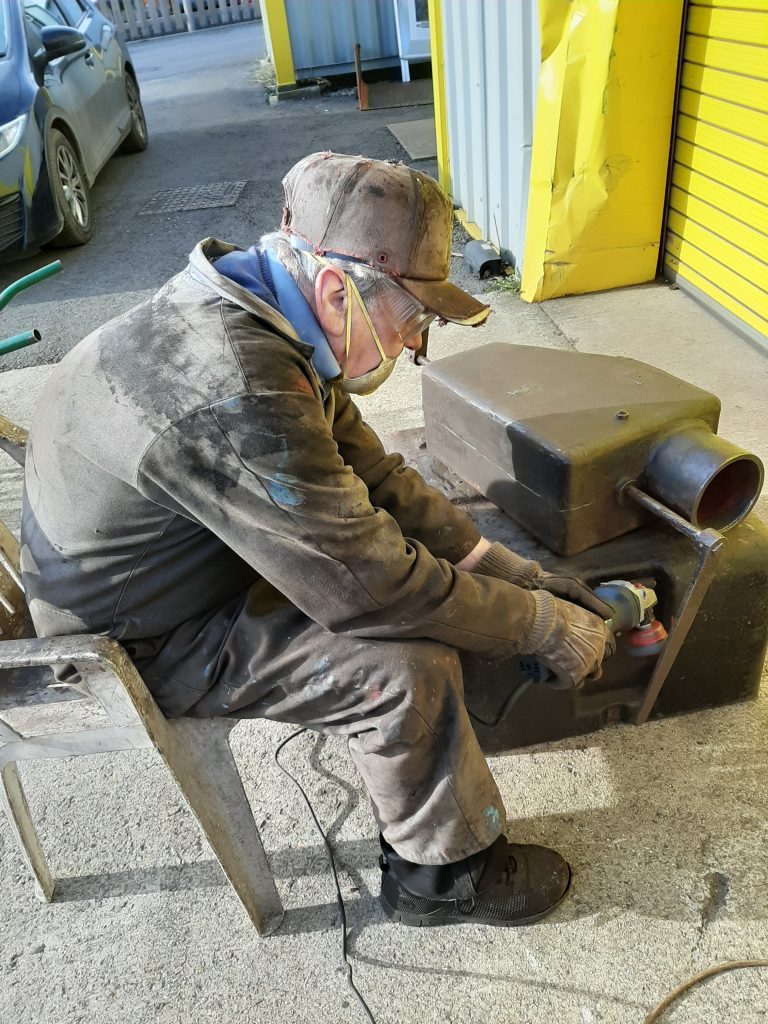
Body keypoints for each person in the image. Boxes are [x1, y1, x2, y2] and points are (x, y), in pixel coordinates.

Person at [20, 152, 613, 927]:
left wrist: (499, 567)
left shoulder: (263, 311)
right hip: (135, 637)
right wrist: (539, 625)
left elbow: (372, 472)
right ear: (339, 290)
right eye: (411, 326)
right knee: (406, 658)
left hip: (160, 567)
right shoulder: (234, 388)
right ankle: (441, 880)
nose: (414, 350)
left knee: (429, 584)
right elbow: (371, 587)